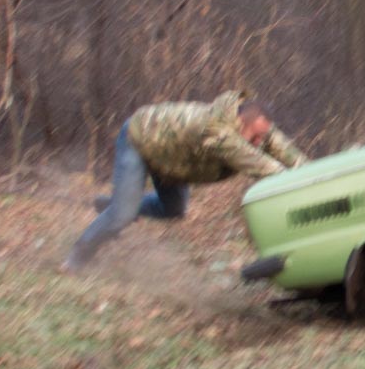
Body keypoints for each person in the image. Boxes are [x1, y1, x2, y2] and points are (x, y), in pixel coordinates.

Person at [65, 91, 306, 271]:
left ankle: (116, 205)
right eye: (255, 136)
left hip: (171, 161)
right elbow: (257, 163)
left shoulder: (254, 127)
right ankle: (76, 258)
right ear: (241, 121)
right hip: (139, 140)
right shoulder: (215, 130)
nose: (259, 142)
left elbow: (287, 152)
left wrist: (312, 174)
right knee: (121, 215)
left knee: (173, 209)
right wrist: (294, 183)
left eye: (262, 136)